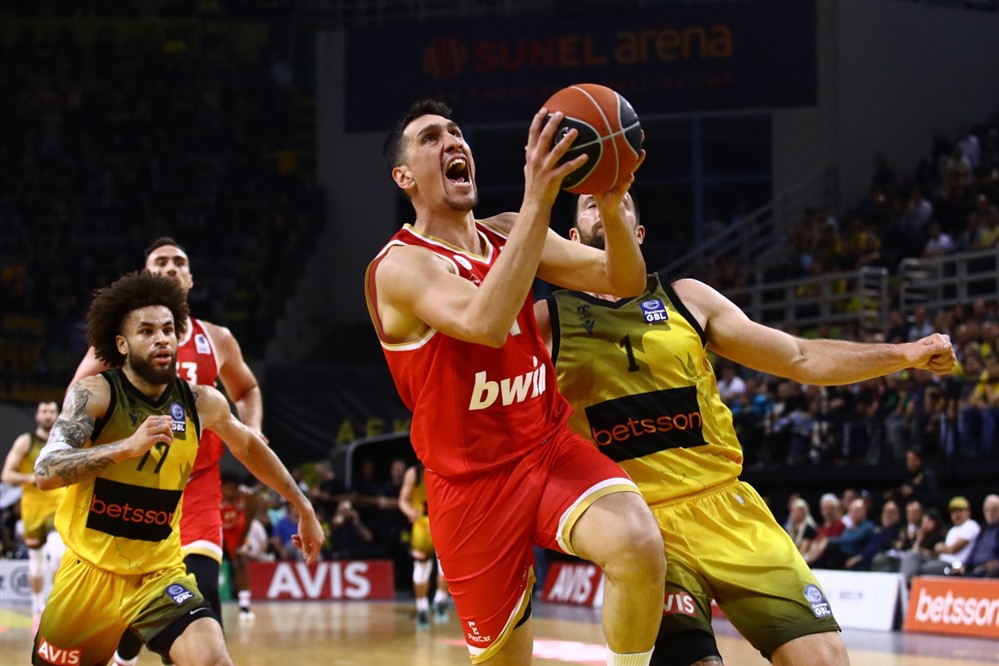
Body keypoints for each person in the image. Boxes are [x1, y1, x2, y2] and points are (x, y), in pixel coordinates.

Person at [535, 191, 957, 666]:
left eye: (621, 199)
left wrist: (903, 353)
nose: (607, 204)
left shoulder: (687, 298)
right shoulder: (546, 322)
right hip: (642, 527)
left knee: (825, 659)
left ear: (638, 234)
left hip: (731, 510)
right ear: (569, 240)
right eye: (592, 203)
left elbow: (799, 357)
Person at [365, 99, 665, 665]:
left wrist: (608, 194)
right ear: (404, 177)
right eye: (431, 139)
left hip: (546, 447)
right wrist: (537, 201)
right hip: (470, 485)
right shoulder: (401, 267)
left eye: (457, 132)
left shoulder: (507, 230)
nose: (453, 142)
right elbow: (485, 323)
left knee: (638, 544)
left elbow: (624, 280)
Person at [31, 271, 323, 666]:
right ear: (122, 343)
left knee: (212, 658)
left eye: (168, 329)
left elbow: (250, 447)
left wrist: (302, 506)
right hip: (89, 575)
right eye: (147, 331)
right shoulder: (96, 393)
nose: (162, 338)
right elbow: (46, 469)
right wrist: (125, 447)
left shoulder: (202, 402)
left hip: (159, 575)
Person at [69, 237, 265, 666]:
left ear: (191, 279)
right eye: (161, 261)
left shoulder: (218, 338)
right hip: (135, 486)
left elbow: (247, 388)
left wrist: (252, 428)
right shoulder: (122, 338)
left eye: (180, 261)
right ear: (147, 276)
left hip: (196, 484)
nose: (172, 266)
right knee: (129, 619)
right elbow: (78, 392)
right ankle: (123, 656)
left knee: (203, 596)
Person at [1, 401, 67, 627]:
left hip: (59, 506)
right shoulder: (25, 441)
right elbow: (7, 475)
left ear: (58, 415)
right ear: (37, 415)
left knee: (58, 554)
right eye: (44, 411)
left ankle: (51, 603)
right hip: (33, 509)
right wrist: (31, 478)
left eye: (52, 411)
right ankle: (37, 605)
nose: (48, 415)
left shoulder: (65, 441)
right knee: (37, 562)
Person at [399, 461, 451, 630]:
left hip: (444, 522)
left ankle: (440, 600)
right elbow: (403, 500)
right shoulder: (414, 472)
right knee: (422, 568)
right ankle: (422, 607)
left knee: (446, 568)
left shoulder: (446, 466)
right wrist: (409, 512)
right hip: (422, 524)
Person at [901, 495, 981, 584]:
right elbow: (941, 550)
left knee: (919, 569)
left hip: (953, 566)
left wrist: (941, 548)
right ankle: (909, 584)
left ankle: (910, 586)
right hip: (940, 560)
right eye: (953, 511)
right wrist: (927, 550)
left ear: (968, 512)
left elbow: (952, 549)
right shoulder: (952, 529)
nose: (956, 514)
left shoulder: (971, 525)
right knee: (911, 555)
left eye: (960, 510)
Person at [220, 471, 259, 623]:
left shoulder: (245, 498)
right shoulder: (214, 494)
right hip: (217, 531)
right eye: (226, 489)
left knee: (241, 562)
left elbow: (248, 522)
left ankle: (244, 605)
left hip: (237, 532)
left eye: (232, 489)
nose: (229, 492)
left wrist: (240, 542)